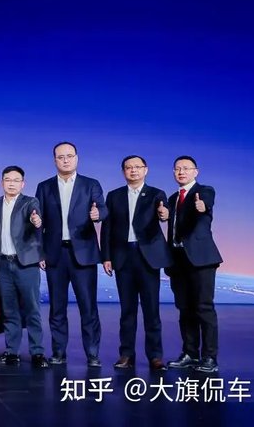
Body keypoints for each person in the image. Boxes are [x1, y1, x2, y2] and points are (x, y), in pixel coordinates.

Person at [35, 142, 107, 367]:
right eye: (60, 157)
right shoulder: (44, 187)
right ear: (54, 160)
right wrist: (39, 252)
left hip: (83, 254)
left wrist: (97, 214)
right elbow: (38, 223)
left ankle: (92, 354)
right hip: (55, 254)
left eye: (69, 156)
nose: (65, 160)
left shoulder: (90, 184)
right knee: (57, 308)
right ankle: (58, 352)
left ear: (77, 158)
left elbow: (103, 209)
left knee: (88, 307)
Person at [101, 155, 171, 371]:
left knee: (152, 310)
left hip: (147, 258)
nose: (133, 170)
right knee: (127, 311)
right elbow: (107, 228)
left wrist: (164, 214)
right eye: (128, 167)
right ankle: (126, 355)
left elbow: (164, 213)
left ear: (145, 170)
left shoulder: (156, 194)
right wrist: (106, 257)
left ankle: (155, 356)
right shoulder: (114, 196)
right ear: (123, 171)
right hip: (123, 258)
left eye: (137, 167)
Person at [162, 156, 222, 373]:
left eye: (186, 168)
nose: (181, 172)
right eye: (177, 169)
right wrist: (165, 215)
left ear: (195, 172)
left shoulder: (204, 191)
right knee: (184, 309)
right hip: (177, 260)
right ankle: (190, 353)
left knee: (204, 308)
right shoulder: (172, 198)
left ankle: (210, 357)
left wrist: (202, 206)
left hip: (201, 260)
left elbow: (206, 204)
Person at [0, 166, 48, 368]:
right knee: (9, 310)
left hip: (26, 264)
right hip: (3, 264)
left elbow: (35, 218)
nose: (11, 183)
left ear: (23, 184)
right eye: (8, 179)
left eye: (16, 180)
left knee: (31, 309)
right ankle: (12, 352)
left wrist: (36, 221)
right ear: (2, 182)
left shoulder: (30, 202)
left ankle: (37, 352)